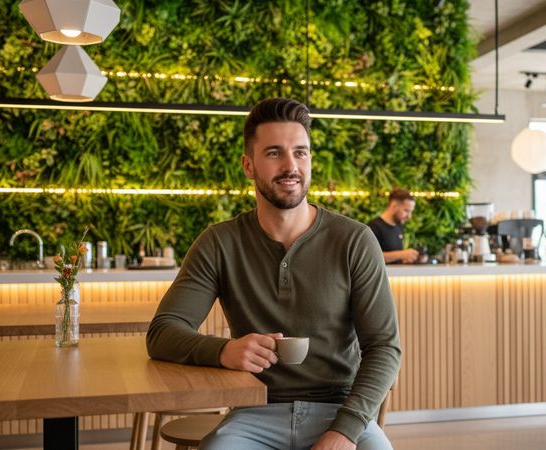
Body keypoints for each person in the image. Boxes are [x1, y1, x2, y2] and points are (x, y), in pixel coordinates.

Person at [146, 98, 401, 450]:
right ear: (248, 166)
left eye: (300, 152)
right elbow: (162, 333)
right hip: (253, 413)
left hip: (339, 411)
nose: (291, 166)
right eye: (274, 153)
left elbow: (385, 347)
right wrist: (224, 351)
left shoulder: (354, 240)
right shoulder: (219, 243)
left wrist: (344, 431)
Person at [368, 189, 419, 264]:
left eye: (411, 212)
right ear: (394, 206)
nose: (409, 216)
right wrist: (401, 254)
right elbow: (370, 256)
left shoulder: (398, 227)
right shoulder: (374, 227)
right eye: (406, 211)